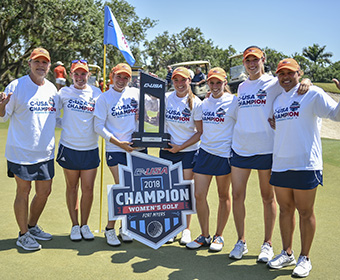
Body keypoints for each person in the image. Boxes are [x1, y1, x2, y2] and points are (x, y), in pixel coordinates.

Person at [229, 46, 310, 262]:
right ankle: (241, 241)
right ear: (244, 63)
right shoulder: (242, 86)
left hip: (266, 148)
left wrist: (307, 81)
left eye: (255, 59)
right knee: (237, 195)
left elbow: (292, 82)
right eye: (248, 60)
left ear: (263, 60)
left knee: (267, 197)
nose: (252, 64)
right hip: (241, 148)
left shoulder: (274, 83)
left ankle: (267, 244)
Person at [267, 59, 340, 277]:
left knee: (305, 212)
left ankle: (304, 257)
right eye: (281, 74)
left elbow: (336, 115)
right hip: (280, 163)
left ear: (299, 73)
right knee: (285, 210)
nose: (285, 77)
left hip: (306, 164)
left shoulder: (313, 93)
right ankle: (287, 252)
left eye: (290, 73)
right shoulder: (278, 100)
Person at [0, 47, 58, 251]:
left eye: (44, 62)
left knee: (45, 192)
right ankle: (23, 234)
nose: (41, 66)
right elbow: (3, 116)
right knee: (23, 192)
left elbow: (57, 117)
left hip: (45, 152)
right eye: (37, 62)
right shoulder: (16, 86)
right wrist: (1, 106)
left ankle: (32, 227)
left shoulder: (52, 88)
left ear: (49, 65)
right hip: (21, 151)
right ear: (29, 64)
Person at [186, 67, 237, 251]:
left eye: (218, 82)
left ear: (225, 83)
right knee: (199, 195)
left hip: (224, 155)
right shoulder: (203, 103)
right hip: (205, 153)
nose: (215, 86)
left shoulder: (234, 102)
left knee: (224, 196)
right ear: (208, 83)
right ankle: (204, 235)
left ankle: (219, 236)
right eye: (212, 82)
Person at [93, 63, 141, 246]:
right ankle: (109, 229)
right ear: (112, 76)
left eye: (126, 77)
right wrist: (118, 143)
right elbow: (98, 127)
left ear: (130, 79)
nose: (122, 80)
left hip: (135, 148)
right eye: (119, 76)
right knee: (122, 187)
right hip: (115, 149)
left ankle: (125, 227)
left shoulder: (135, 94)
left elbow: (148, 115)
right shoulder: (104, 98)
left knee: (132, 189)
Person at [56, 60, 101, 241]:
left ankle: (84, 225)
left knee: (88, 188)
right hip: (69, 147)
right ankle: (74, 226)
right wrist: (64, 125)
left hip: (90, 148)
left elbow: (104, 116)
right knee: (72, 187)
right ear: (71, 75)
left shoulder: (97, 93)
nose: (80, 77)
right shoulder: (64, 93)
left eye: (83, 74)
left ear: (88, 75)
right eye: (77, 74)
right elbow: (52, 113)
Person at [160, 66, 203, 245]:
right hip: (168, 150)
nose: (179, 83)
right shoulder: (165, 98)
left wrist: (181, 147)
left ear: (189, 81)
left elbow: (200, 132)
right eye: (176, 80)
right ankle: (173, 227)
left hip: (188, 151)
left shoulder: (197, 103)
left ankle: (185, 229)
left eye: (183, 80)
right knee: (170, 191)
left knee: (185, 191)